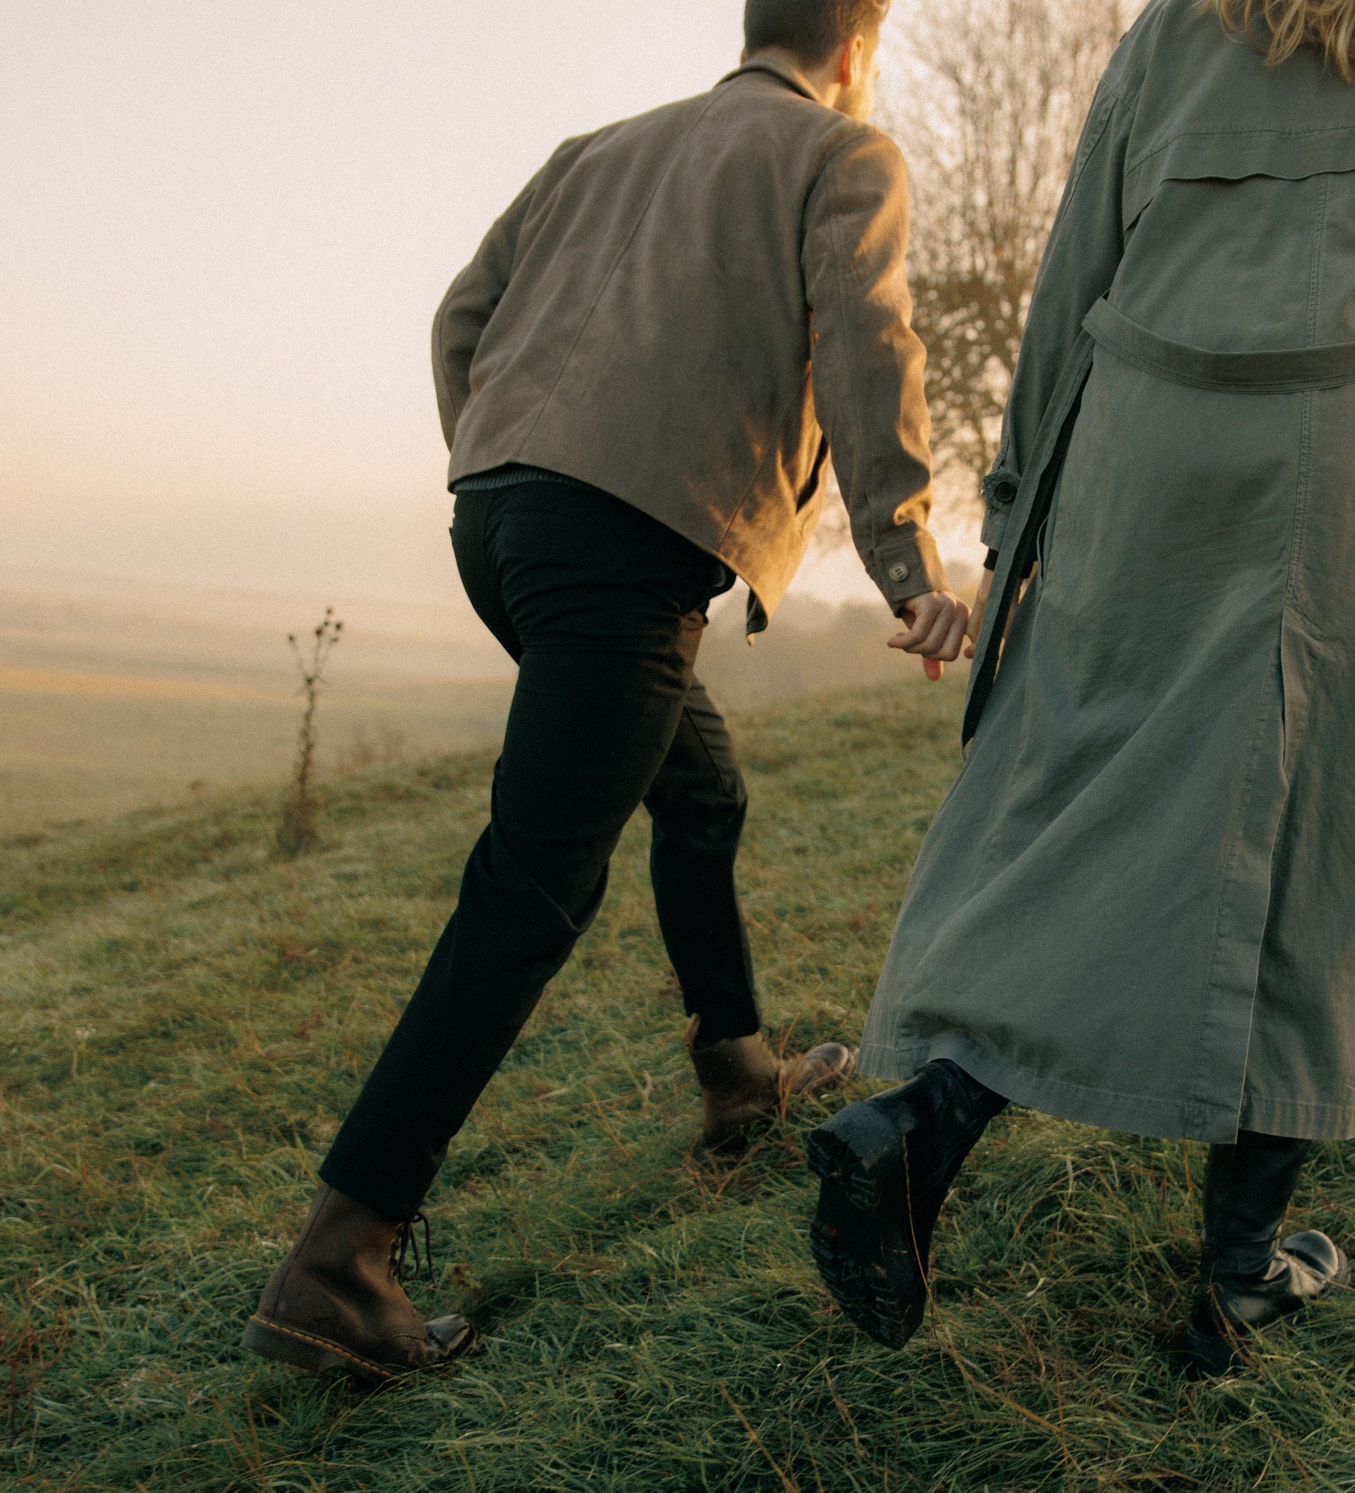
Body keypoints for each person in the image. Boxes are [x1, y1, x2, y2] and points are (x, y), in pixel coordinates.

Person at [809, 0, 1355, 1373]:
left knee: (1095, 797)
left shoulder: (1183, 24)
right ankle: (1237, 1276)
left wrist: (1022, 513)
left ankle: (918, 1130)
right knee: (1338, 841)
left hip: (1149, 438)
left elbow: (1077, 279)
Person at [246, 0, 974, 1384]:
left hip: (503, 525)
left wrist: (504, 455)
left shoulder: (598, 146)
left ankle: (736, 1068)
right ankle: (335, 1263)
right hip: (623, 546)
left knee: (700, 786)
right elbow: (868, 341)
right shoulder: (844, 155)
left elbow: (462, 314)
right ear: (856, 48)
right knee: (534, 885)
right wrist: (906, 557)